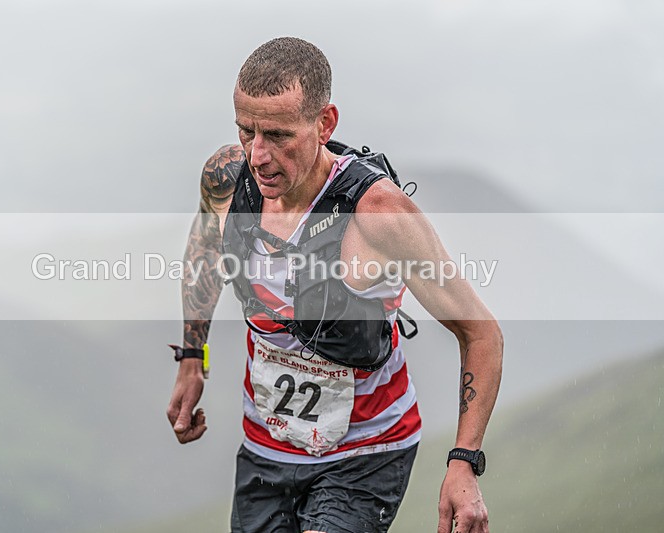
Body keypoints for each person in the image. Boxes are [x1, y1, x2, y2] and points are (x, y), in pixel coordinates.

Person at [166, 37, 503, 533]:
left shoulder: (378, 214)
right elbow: (204, 250)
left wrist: (464, 462)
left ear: (325, 124)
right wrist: (193, 358)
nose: (258, 155)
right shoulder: (227, 178)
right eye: (246, 131)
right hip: (267, 446)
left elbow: (481, 333)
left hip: (366, 452)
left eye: (278, 135)